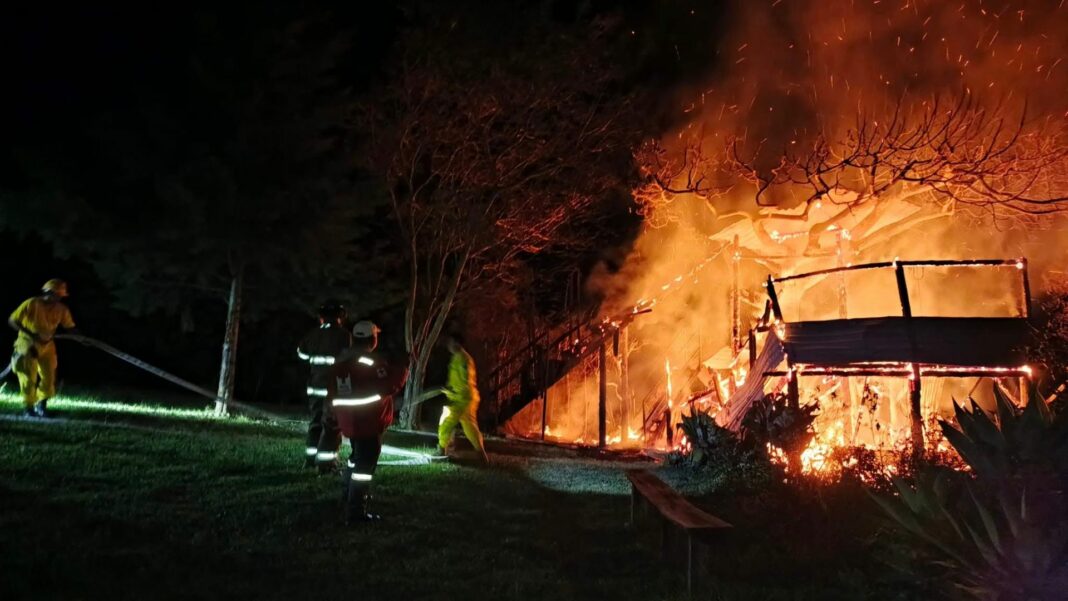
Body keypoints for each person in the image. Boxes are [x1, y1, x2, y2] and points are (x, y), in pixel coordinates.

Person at [329, 320, 406, 523]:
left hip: (349, 421)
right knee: (364, 468)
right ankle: (356, 511)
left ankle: (348, 494)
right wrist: (403, 368)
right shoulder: (372, 363)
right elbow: (389, 385)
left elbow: (332, 391)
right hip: (368, 422)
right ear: (372, 339)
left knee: (355, 458)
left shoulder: (341, 361)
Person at [9, 279, 77, 418]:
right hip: (27, 344)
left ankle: (42, 406)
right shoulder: (32, 303)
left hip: (48, 345)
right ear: (48, 292)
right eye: (57, 294)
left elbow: (70, 327)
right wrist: (31, 335)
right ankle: (28, 407)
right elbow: (12, 320)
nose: (58, 298)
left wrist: (82, 337)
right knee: (28, 377)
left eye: (60, 295)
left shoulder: (61, 309)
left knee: (49, 376)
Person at [297, 302, 352, 471]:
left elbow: (301, 353)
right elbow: (348, 359)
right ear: (340, 317)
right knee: (332, 426)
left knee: (315, 422)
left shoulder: (313, 334)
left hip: (315, 386)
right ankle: (327, 464)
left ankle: (310, 459)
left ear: (322, 317)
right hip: (333, 388)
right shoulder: (344, 335)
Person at [437, 336, 489, 462]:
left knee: (446, 422)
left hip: (461, 399)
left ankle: (441, 450)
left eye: (450, 342)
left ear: (456, 343)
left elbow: (465, 381)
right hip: (463, 398)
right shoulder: (459, 357)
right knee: (470, 427)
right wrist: (450, 388)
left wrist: (452, 392)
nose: (448, 345)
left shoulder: (463, 359)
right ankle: (482, 455)